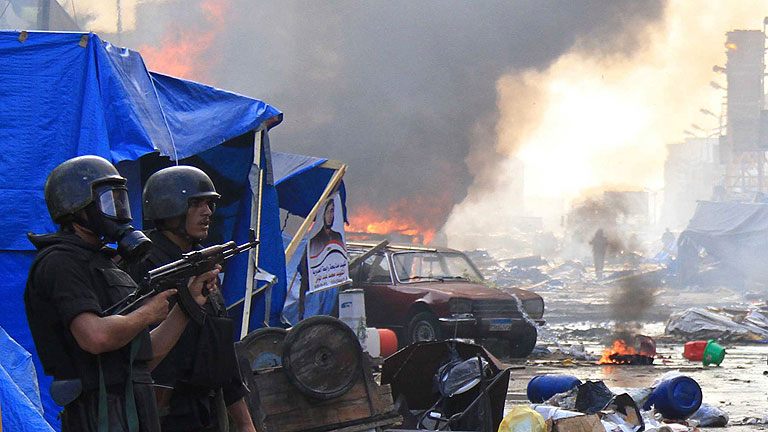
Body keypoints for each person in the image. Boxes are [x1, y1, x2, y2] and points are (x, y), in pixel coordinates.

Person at [25, 155, 219, 432]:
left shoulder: (103, 261)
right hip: (98, 415)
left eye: (120, 199)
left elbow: (144, 359)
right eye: (108, 201)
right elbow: (95, 337)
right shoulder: (61, 262)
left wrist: (188, 304)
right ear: (78, 206)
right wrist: (146, 314)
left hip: (132, 411)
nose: (117, 210)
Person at [125, 165, 256, 432]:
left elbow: (220, 350)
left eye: (209, 204)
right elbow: (134, 354)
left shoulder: (203, 264)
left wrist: (245, 423)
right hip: (160, 414)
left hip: (204, 411)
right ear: (168, 207)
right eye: (196, 204)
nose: (207, 212)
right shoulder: (144, 265)